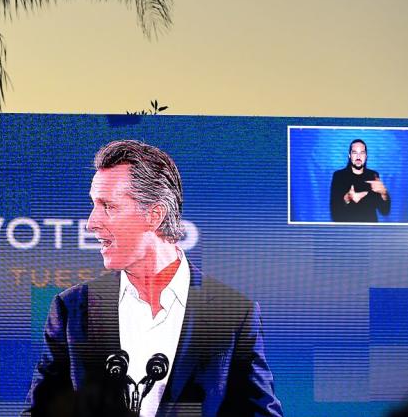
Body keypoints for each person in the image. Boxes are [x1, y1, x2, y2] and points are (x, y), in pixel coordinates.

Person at [24, 140, 282, 417]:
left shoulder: (232, 314)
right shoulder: (72, 309)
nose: (91, 222)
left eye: (108, 206)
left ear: (154, 215)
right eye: (93, 205)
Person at [329, 139, 390, 222]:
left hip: (370, 231)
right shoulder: (339, 176)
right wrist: (347, 198)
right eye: (354, 153)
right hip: (348, 230)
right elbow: (335, 214)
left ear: (366, 156)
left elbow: (385, 211)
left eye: (362, 153)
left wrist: (384, 193)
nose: (358, 157)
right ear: (349, 155)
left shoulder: (373, 176)